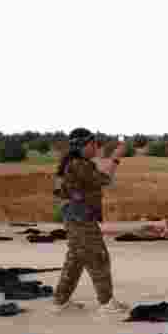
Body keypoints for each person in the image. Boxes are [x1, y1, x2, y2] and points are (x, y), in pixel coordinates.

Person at [51, 128, 130, 316]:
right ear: (82, 146)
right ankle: (106, 303)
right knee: (98, 257)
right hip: (81, 218)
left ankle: (60, 301)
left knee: (76, 259)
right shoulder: (79, 165)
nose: (96, 147)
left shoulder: (75, 163)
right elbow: (105, 179)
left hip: (74, 217)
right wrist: (116, 158)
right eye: (92, 144)